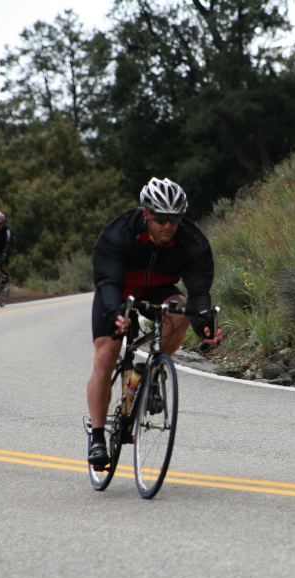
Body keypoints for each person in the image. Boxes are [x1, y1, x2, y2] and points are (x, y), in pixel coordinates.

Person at [86, 177, 223, 469]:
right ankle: (97, 436)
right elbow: (107, 280)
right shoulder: (119, 233)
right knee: (107, 354)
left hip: (157, 289)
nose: (167, 227)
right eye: (161, 219)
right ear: (146, 214)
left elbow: (199, 293)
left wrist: (204, 324)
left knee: (180, 309)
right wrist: (115, 314)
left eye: (174, 220)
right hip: (118, 292)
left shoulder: (192, 241)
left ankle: (155, 367)